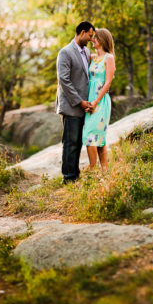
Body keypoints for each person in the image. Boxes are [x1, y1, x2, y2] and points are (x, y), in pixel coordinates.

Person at [56, 21, 94, 183]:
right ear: (82, 32)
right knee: (70, 142)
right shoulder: (65, 52)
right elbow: (64, 80)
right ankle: (68, 177)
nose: (91, 39)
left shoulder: (87, 52)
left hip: (84, 106)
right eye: (90, 36)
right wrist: (79, 102)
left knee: (78, 142)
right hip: (72, 105)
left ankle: (75, 174)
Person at [83, 27, 115, 174]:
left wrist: (95, 102)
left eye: (95, 37)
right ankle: (104, 171)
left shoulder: (109, 58)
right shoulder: (92, 57)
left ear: (102, 40)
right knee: (98, 136)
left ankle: (92, 170)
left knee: (90, 134)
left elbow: (107, 83)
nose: (92, 40)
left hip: (100, 101)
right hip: (90, 100)